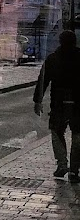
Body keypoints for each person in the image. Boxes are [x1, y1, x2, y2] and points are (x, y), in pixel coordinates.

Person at [33, 29, 80, 182]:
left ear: (60, 42)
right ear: (75, 42)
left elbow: (43, 80)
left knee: (56, 132)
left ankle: (62, 164)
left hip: (58, 102)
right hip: (78, 103)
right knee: (77, 136)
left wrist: (38, 101)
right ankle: (74, 171)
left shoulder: (53, 58)